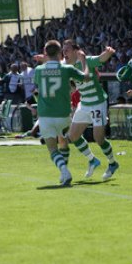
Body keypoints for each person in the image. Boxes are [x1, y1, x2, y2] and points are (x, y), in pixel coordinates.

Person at [33, 40, 89, 186]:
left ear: (45, 53)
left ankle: (64, 171)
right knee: (64, 142)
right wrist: (84, 62)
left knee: (52, 149)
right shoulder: (66, 69)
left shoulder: (39, 70)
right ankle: (65, 172)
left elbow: (39, 86)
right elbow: (86, 77)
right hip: (64, 115)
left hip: (46, 115)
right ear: (60, 53)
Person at [64, 39, 119, 180]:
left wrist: (108, 52)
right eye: (63, 51)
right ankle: (92, 160)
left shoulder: (87, 60)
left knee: (99, 138)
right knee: (73, 136)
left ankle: (112, 163)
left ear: (76, 51)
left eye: (67, 50)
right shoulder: (66, 66)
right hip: (84, 103)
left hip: (97, 103)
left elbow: (101, 58)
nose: (64, 53)